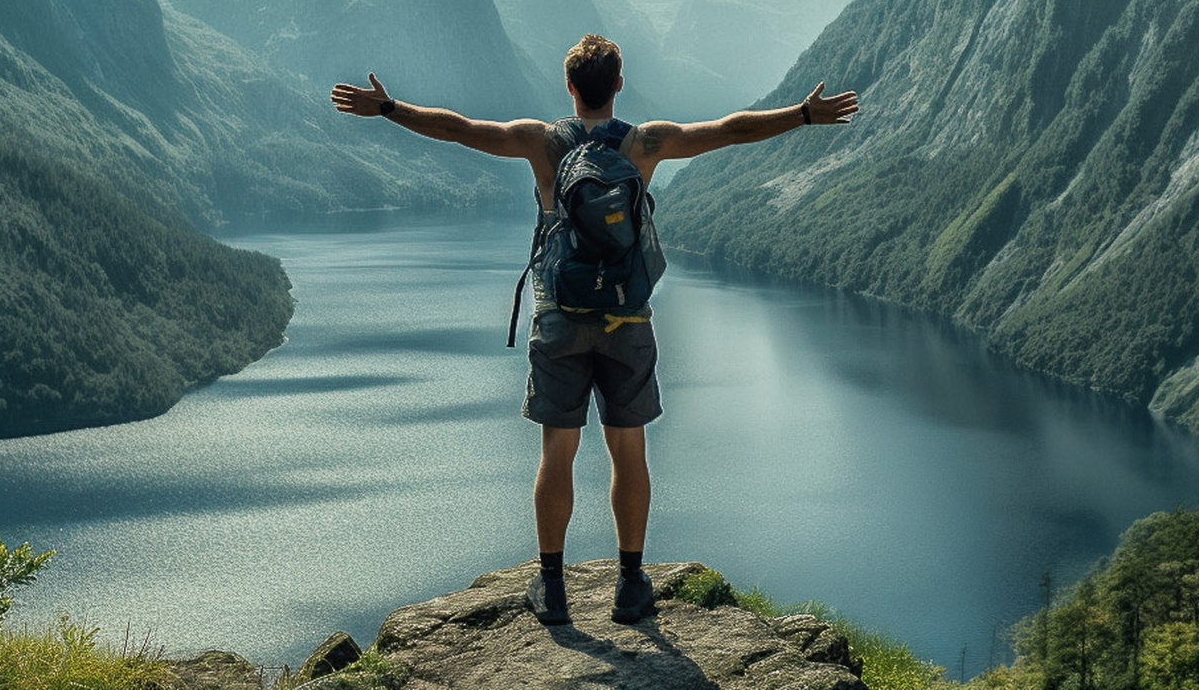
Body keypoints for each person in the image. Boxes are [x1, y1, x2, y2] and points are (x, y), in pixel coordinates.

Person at [331, 35, 858, 627]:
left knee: (558, 450)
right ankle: (631, 584)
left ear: (570, 87)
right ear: (619, 85)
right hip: (627, 316)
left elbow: (461, 129)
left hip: (559, 314)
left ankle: (552, 588)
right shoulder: (644, 144)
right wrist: (804, 115)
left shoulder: (542, 143)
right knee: (627, 449)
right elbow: (731, 130)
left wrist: (390, 109)